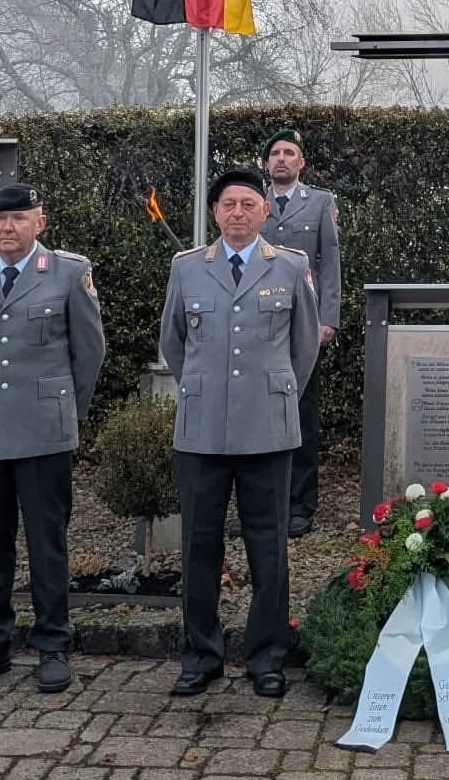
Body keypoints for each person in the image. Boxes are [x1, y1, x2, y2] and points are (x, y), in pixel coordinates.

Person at [161, 169, 321, 700]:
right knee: (199, 545)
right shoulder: (187, 270)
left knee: (268, 547)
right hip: (203, 431)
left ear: (264, 213)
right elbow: (175, 344)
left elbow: (304, 348)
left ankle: (266, 657)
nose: (237, 213)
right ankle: (200, 656)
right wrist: (206, 393)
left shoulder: (291, 267)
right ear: (214, 212)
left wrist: (273, 395)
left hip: (268, 429)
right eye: (228, 204)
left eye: (247, 204)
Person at [0, 182, 105, 695]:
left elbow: (89, 354)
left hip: (44, 434)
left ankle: (53, 643)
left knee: (47, 543)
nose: (7, 228)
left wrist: (62, 414)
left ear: (41, 223)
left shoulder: (68, 274)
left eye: (18, 218)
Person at [257, 127, 341, 538]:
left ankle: (300, 505)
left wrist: (328, 318)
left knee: (302, 414)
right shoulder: (252, 203)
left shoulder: (321, 203)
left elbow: (330, 263)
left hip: (303, 326)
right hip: (260, 327)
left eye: (289, 153)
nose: (282, 159)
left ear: (301, 162)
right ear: (267, 162)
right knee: (258, 415)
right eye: (275, 153)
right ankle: (264, 504)